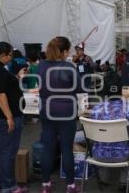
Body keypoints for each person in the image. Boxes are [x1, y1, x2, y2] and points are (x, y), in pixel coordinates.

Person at [38, 36, 81, 193]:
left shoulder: (41, 66)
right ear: (63, 51)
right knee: (66, 149)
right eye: (68, 50)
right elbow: (80, 87)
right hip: (66, 112)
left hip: (47, 110)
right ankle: (70, 185)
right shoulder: (69, 67)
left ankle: (46, 184)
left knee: (48, 147)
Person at [0, 42, 27, 193]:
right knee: (7, 152)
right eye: (10, 54)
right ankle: (8, 186)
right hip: (5, 117)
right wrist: (9, 117)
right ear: (3, 55)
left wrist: (17, 77)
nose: (12, 57)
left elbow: (3, 88)